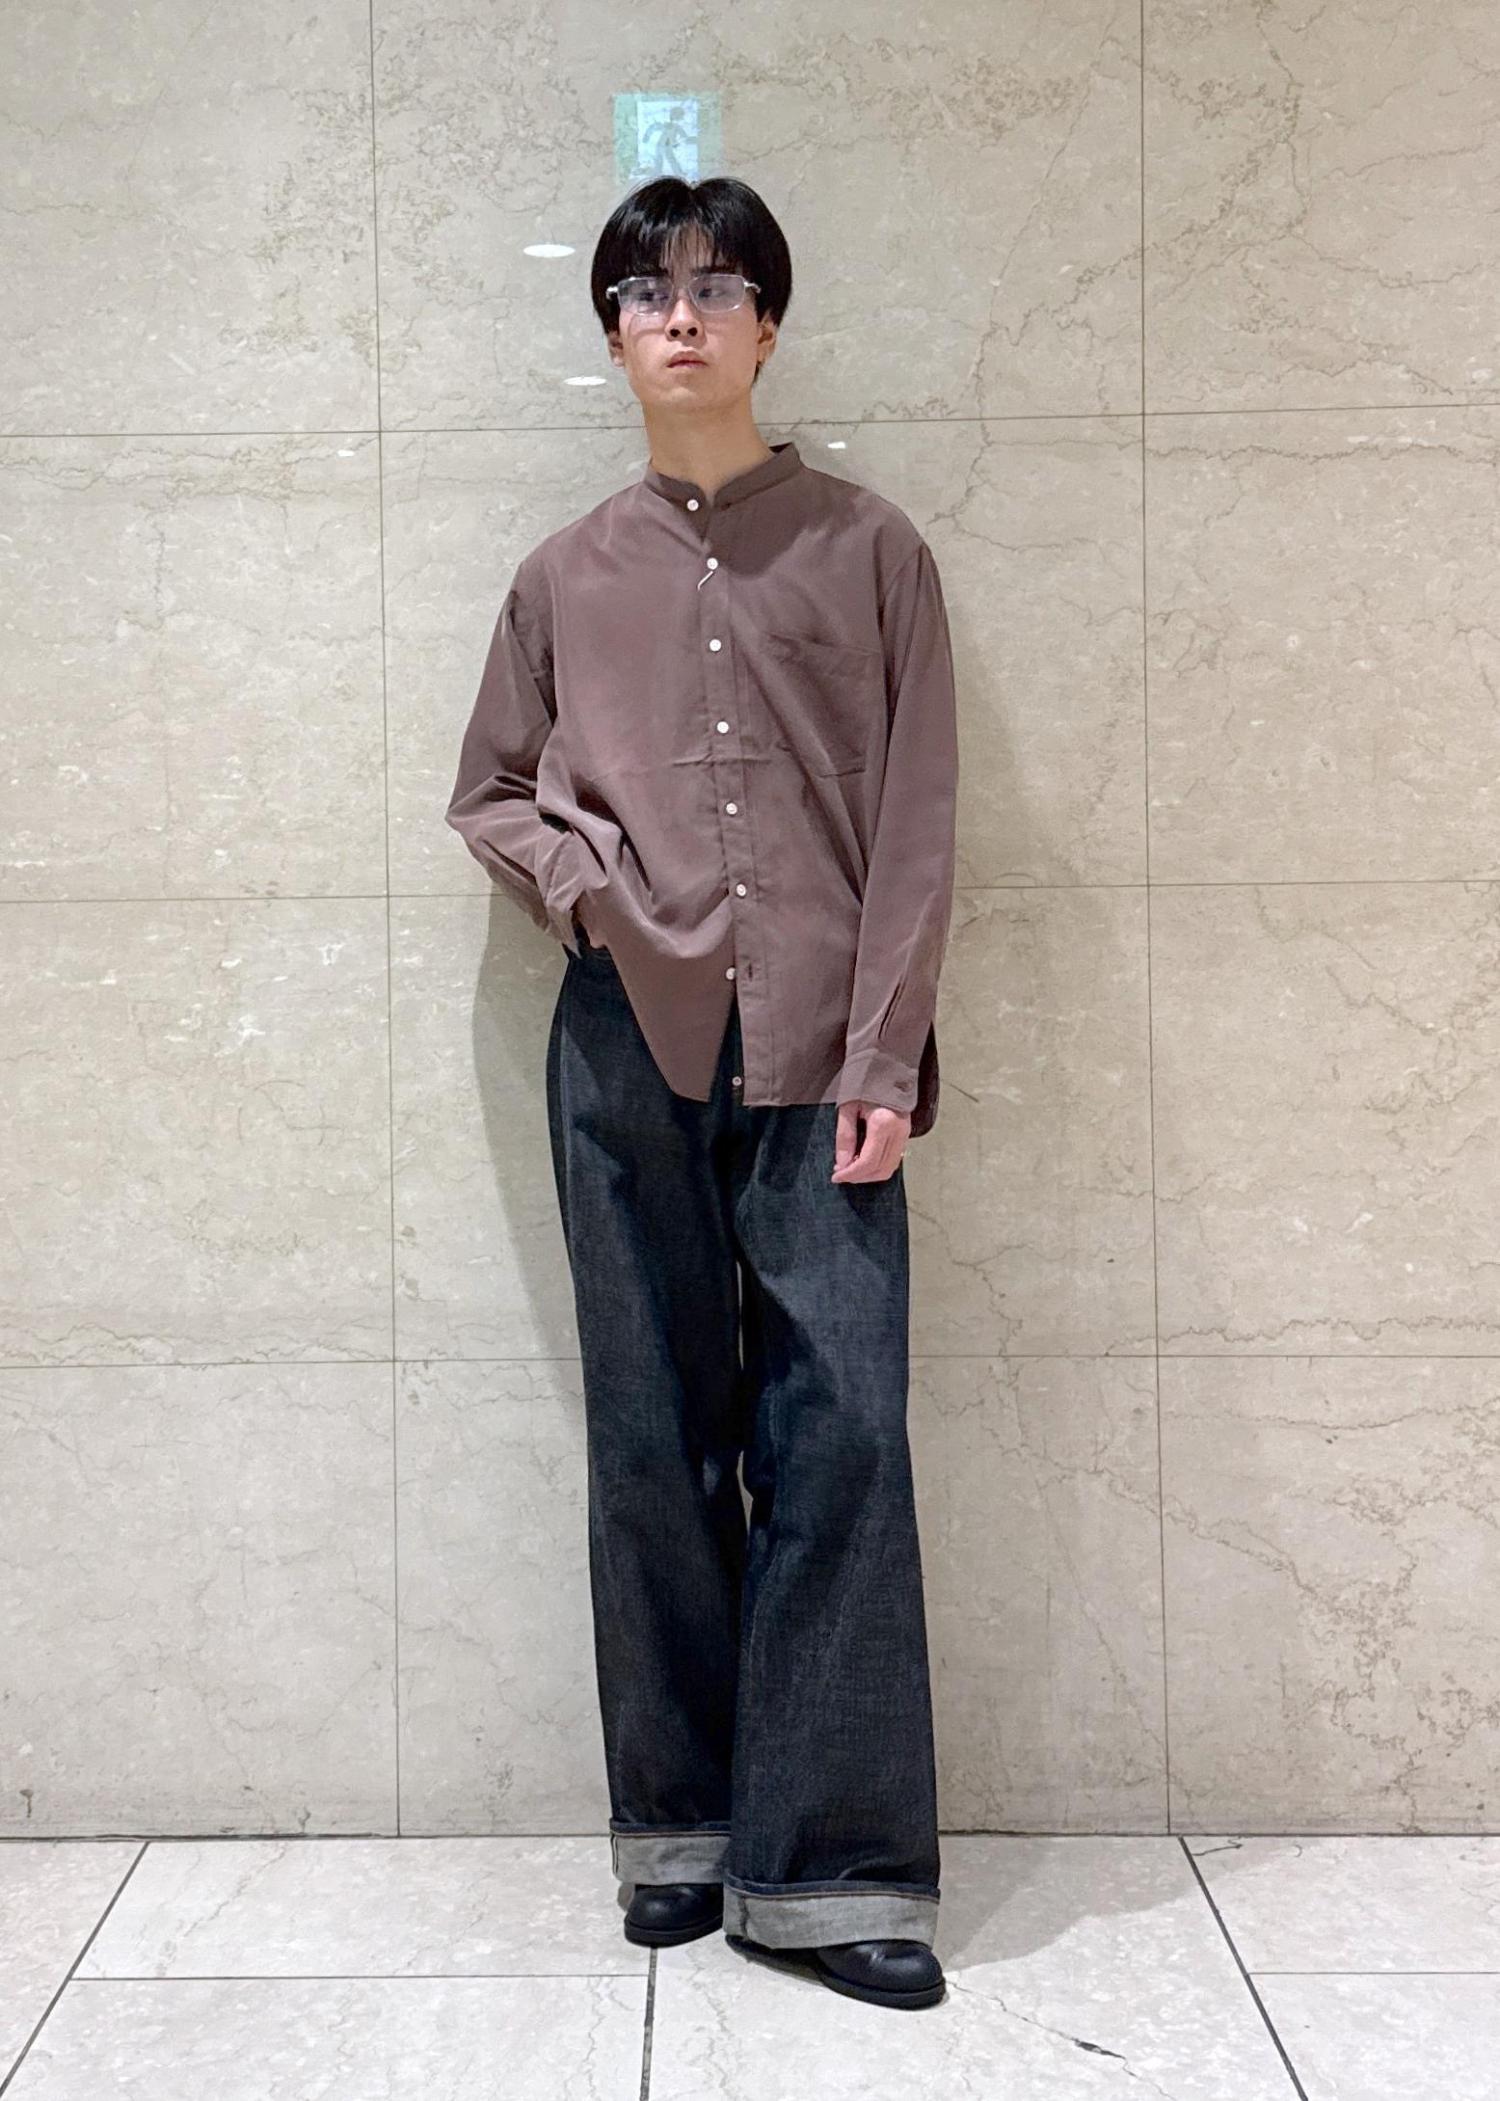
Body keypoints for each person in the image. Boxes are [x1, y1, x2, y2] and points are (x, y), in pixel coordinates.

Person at [446, 175, 958, 2013]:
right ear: (610, 336)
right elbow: (490, 792)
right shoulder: (562, 577)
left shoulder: (874, 551)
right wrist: (590, 890)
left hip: (829, 1055)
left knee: (845, 1438)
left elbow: (919, 821)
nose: (684, 317)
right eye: (648, 293)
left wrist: (886, 1051)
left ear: (768, 326)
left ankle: (832, 1871)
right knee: (655, 1435)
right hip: (627, 1047)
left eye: (719, 288)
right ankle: (673, 1831)